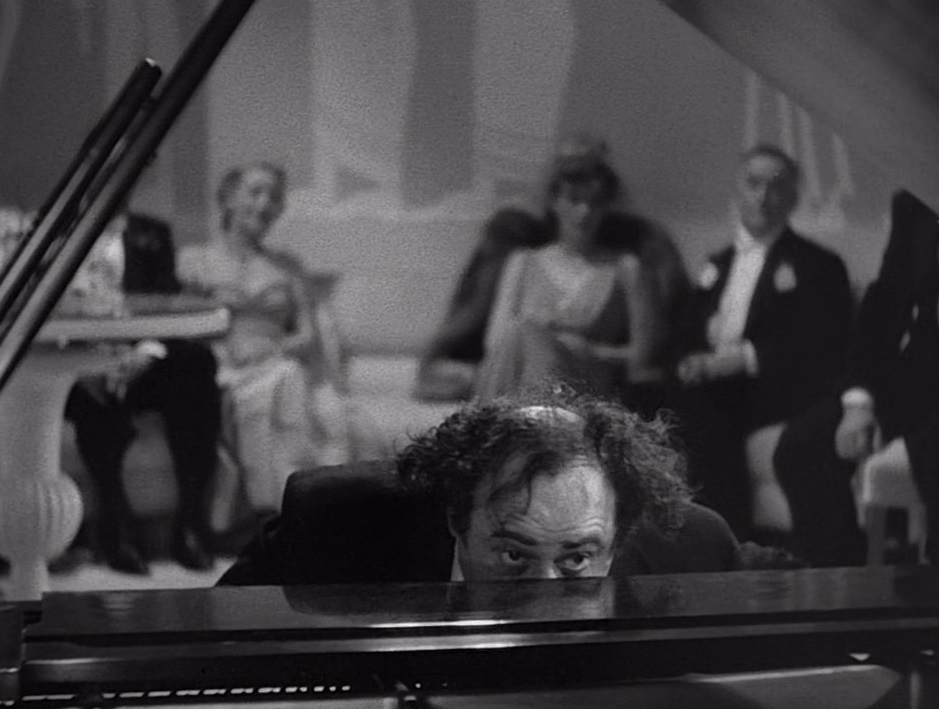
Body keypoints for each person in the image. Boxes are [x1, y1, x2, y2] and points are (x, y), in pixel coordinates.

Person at [217, 387, 750, 586]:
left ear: (618, 537)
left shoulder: (692, 545)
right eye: (515, 555)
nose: (544, 594)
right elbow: (207, 651)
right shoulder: (333, 523)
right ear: (456, 516)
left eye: (576, 559)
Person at [672, 144, 854, 541]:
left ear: (793, 197)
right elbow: (687, 331)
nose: (763, 197)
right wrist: (691, 360)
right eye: (753, 184)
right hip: (714, 387)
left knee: (708, 417)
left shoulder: (818, 265)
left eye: (776, 186)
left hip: (778, 392)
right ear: (737, 191)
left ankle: (728, 543)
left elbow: (821, 347)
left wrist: (742, 359)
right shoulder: (717, 263)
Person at [774, 190, 939, 566]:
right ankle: (841, 584)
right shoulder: (916, 199)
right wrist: (859, 402)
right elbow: (886, 304)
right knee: (803, 448)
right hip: (922, 378)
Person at [179, 161, 351, 517]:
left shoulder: (287, 267)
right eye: (255, 192)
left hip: (276, 363)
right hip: (219, 367)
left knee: (285, 380)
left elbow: (308, 335)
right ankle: (269, 509)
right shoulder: (196, 261)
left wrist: (272, 349)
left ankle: (282, 508)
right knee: (271, 386)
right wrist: (223, 351)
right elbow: (182, 328)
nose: (264, 204)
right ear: (228, 198)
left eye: (274, 197)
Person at [474, 137, 689, 416]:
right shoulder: (524, 262)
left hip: (585, 388)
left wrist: (593, 351)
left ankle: (504, 425)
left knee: (527, 338)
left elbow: (644, 357)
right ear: (554, 202)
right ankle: (509, 423)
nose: (584, 212)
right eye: (574, 200)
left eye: (595, 203)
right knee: (521, 333)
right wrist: (537, 333)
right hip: (520, 377)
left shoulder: (624, 267)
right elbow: (495, 342)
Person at [64, 212, 221, 574]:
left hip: (138, 361)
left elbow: (164, 298)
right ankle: (115, 527)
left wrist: (147, 351)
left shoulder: (152, 232)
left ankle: (189, 524)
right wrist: (84, 364)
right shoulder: (56, 230)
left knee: (197, 363)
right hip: (77, 363)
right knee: (94, 403)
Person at [413, 207, 550, 401]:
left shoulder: (515, 265)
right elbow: (469, 318)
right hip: (475, 362)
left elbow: (470, 318)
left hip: (487, 363)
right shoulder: (494, 267)